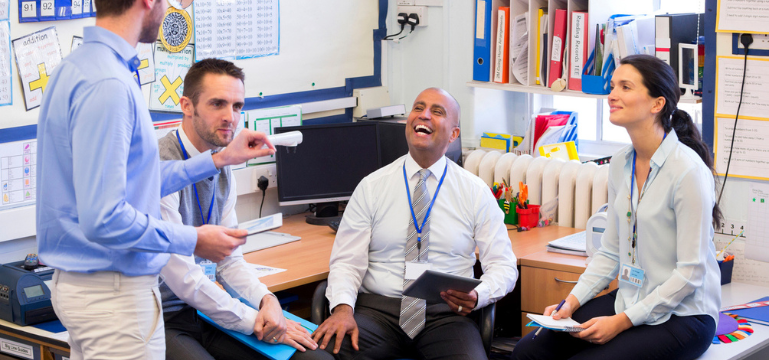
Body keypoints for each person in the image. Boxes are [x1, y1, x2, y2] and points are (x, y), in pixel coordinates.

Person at [35, 0, 275, 358]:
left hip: (89, 289)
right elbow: (105, 218)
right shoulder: (109, 83)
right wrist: (193, 239)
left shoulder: (79, 68)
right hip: (114, 297)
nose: (172, 7)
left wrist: (220, 159)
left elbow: (137, 180)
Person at [511, 54, 722, 360]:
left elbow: (690, 275)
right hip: (631, 296)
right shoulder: (621, 162)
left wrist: (622, 322)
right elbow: (610, 252)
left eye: (625, 87)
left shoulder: (688, 172)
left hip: (684, 315)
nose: (612, 95)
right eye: (613, 86)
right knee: (527, 352)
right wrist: (571, 302)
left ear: (657, 104)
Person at [312, 87, 518, 360]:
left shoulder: (474, 191)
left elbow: (503, 266)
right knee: (319, 353)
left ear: (454, 134)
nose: (424, 116)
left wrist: (479, 295)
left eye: (437, 111)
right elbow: (346, 262)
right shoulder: (372, 186)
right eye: (418, 108)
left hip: (445, 315)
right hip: (377, 312)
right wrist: (341, 309)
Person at [157, 58, 332, 360]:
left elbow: (229, 261)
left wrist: (267, 300)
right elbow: (183, 279)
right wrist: (253, 321)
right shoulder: (161, 165)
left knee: (315, 358)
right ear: (187, 106)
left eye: (237, 106)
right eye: (218, 104)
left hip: (210, 309)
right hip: (164, 317)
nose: (230, 117)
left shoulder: (224, 162)